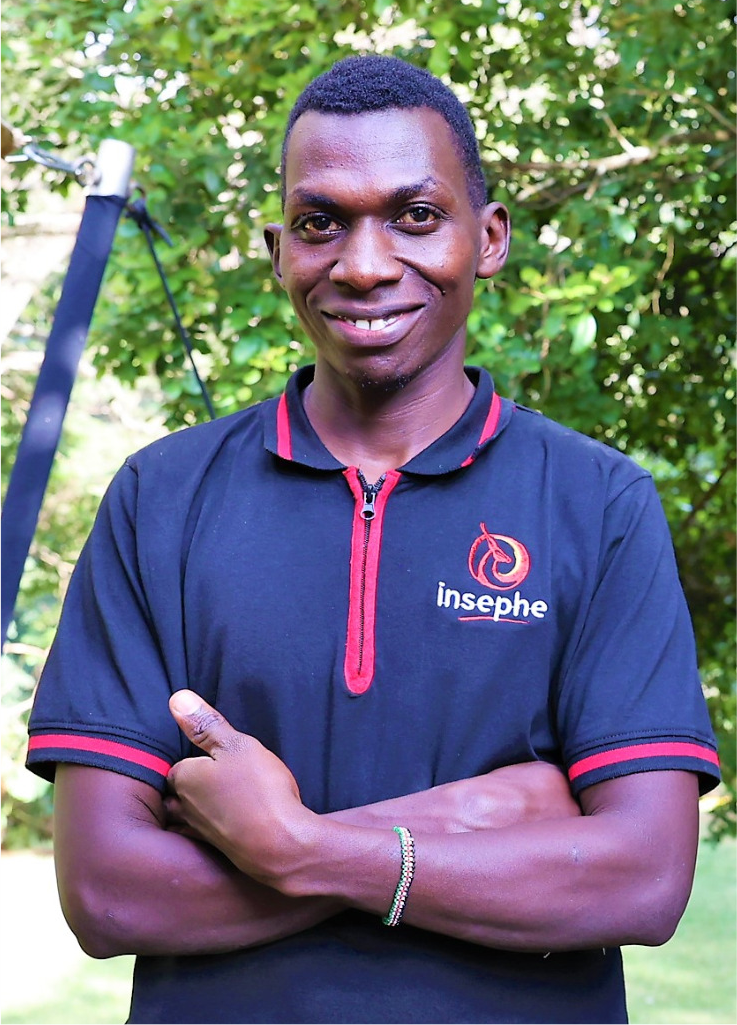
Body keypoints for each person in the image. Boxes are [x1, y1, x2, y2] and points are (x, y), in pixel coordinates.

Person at [27, 55, 719, 1025]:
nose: (362, 264)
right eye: (320, 223)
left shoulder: (597, 502)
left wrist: (292, 845)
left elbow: (639, 880)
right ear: (278, 251)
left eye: (414, 215)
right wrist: (467, 820)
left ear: (487, 238)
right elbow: (109, 893)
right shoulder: (160, 497)